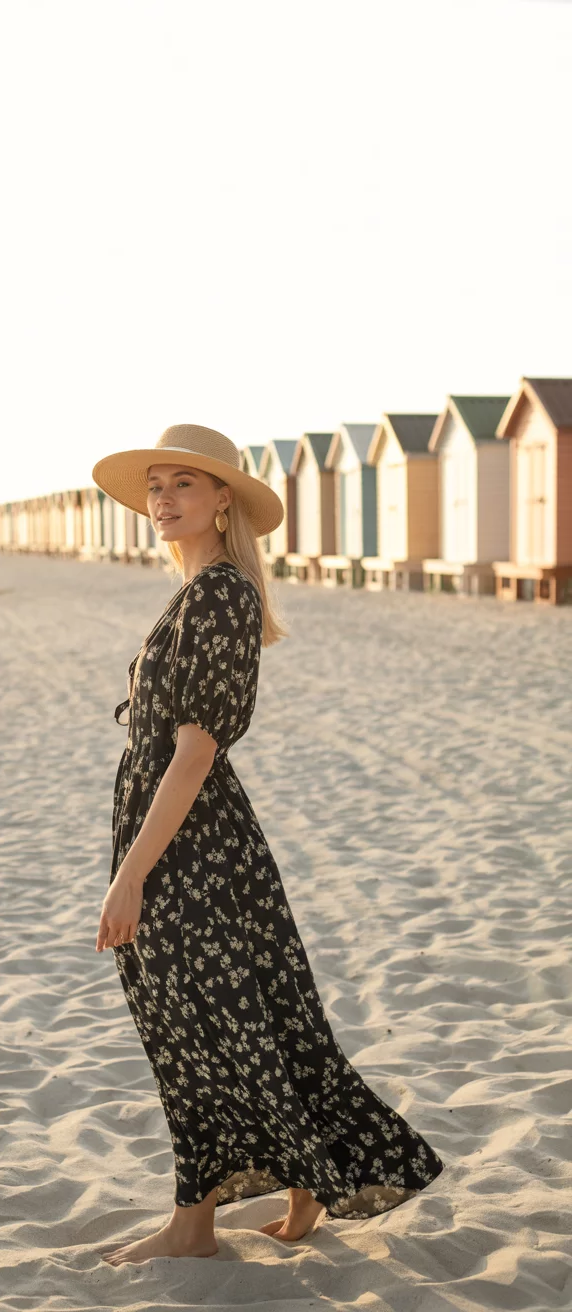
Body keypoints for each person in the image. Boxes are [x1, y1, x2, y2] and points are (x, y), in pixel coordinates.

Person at [91, 424, 444, 1267]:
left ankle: (195, 1225)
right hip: (191, 842)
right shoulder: (198, 592)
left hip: (194, 853)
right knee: (250, 1020)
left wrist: (132, 877)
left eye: (183, 485)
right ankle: (301, 1185)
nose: (163, 500)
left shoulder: (218, 596)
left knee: (199, 1031)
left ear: (223, 501)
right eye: (155, 487)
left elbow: (196, 750)